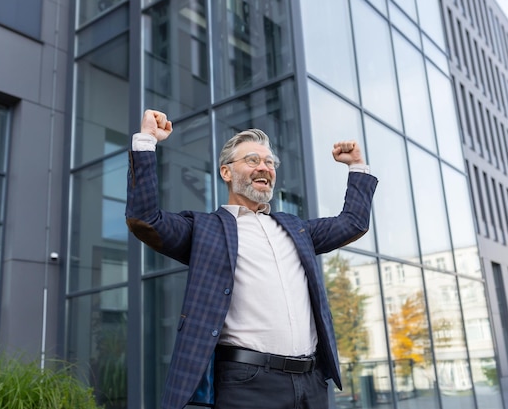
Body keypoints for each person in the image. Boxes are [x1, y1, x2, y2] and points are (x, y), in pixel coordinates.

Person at [126, 109, 378, 409]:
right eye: (253, 160)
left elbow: (353, 223)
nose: (265, 167)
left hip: (311, 383)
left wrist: (357, 166)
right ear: (226, 172)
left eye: (269, 162)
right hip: (247, 384)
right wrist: (146, 142)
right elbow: (145, 218)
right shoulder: (205, 230)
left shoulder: (298, 229)